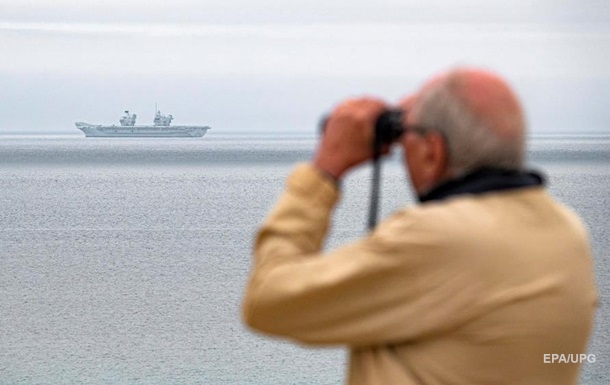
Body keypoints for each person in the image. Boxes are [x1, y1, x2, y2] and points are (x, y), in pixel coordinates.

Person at [241, 67, 597, 385]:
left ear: (432, 151)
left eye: (407, 136)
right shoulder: (567, 232)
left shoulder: (437, 238)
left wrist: (323, 172)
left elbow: (268, 299)